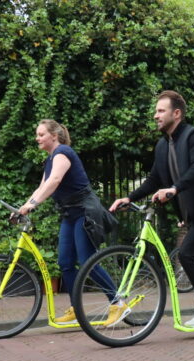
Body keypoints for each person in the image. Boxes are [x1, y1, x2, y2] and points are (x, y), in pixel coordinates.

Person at [110, 90, 194, 327]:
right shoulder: (162, 146)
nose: (155, 115)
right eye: (156, 111)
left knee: (186, 254)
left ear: (176, 113)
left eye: (161, 111)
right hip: (193, 213)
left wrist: (174, 189)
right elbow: (154, 179)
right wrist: (128, 198)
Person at [18, 119, 124, 325]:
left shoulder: (63, 153)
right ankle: (77, 308)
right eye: (37, 134)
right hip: (70, 214)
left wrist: (32, 205)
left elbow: (55, 180)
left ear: (54, 136)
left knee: (87, 262)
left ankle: (118, 302)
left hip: (85, 212)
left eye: (41, 134)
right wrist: (23, 207)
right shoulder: (50, 160)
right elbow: (42, 188)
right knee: (65, 263)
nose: (37, 138)